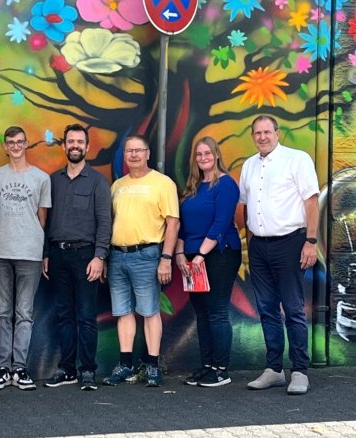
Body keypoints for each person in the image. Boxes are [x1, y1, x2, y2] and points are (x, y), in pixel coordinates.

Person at [240, 115, 319, 395]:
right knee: (266, 309)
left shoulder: (297, 160)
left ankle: (300, 371)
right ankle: (274, 369)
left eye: (267, 132)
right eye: (257, 133)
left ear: (277, 133)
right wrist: (250, 245)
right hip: (260, 246)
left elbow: (311, 200)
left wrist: (310, 241)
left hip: (290, 243)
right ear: (253, 136)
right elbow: (246, 207)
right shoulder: (249, 166)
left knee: (294, 309)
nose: (262, 137)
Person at [103, 135, 179, 388]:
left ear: (148, 153)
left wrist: (166, 258)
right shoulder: (117, 186)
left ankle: (152, 366)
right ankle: (125, 364)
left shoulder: (162, 183)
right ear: (124, 156)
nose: (134, 155)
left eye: (139, 150)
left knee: (149, 311)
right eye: (129, 151)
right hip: (117, 255)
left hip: (147, 254)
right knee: (123, 311)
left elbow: (173, 222)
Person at [44, 124, 111, 391]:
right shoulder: (53, 180)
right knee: (63, 315)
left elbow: (104, 221)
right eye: (70, 141)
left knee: (85, 316)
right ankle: (67, 369)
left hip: (86, 256)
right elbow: (46, 221)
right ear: (64, 146)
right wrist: (46, 254)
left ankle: (87, 371)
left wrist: (100, 257)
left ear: (86, 146)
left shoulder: (97, 181)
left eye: (79, 142)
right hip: (57, 256)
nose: (75, 145)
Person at [0, 126, 51, 391]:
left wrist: (40, 249)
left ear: (27, 145)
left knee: (24, 313)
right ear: (5, 146)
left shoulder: (41, 178)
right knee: (2, 312)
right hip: (0, 251)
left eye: (20, 142)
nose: (15, 146)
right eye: (11, 142)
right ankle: (3, 368)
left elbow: (42, 218)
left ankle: (20, 368)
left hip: (30, 253)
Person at [175, 137, 243, 388]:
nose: (203, 157)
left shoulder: (225, 185)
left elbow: (221, 223)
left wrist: (201, 256)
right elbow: (183, 227)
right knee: (202, 313)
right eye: (199, 154)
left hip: (219, 254)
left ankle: (222, 370)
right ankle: (208, 366)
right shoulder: (193, 187)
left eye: (207, 153)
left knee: (216, 311)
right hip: (192, 258)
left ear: (216, 155)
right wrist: (181, 255)